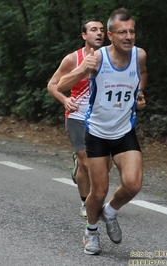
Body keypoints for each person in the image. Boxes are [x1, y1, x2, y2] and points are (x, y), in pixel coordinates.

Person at [57, 8, 147, 255]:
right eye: (122, 32)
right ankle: (91, 231)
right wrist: (83, 68)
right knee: (98, 192)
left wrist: (139, 93)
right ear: (110, 35)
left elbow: (142, 75)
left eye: (132, 31)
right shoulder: (97, 59)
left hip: (124, 131)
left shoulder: (139, 56)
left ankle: (110, 211)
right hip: (96, 133)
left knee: (133, 184)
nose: (129, 37)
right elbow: (61, 84)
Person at [47, 19, 106, 220]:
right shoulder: (73, 59)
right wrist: (64, 100)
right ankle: (86, 202)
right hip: (77, 116)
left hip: (103, 119)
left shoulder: (111, 57)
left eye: (102, 30)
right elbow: (52, 85)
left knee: (104, 165)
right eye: (93, 30)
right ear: (84, 35)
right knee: (86, 163)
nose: (99, 33)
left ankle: (94, 192)